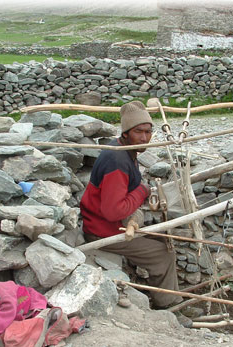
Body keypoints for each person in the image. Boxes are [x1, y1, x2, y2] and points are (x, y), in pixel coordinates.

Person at [80, 101, 190, 325]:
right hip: (102, 231)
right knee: (163, 253)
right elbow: (113, 211)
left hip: (109, 223)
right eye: (138, 132)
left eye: (148, 132)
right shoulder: (117, 161)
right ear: (126, 133)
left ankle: (166, 295)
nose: (144, 137)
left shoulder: (124, 150)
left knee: (163, 239)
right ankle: (169, 307)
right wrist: (141, 191)